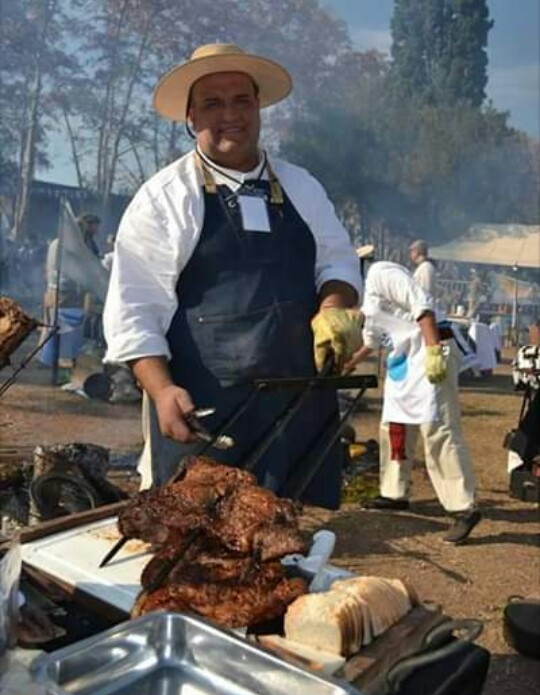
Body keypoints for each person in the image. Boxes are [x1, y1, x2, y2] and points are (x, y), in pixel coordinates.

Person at [103, 43, 362, 506]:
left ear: (258, 107)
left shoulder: (302, 186)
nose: (230, 115)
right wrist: (161, 390)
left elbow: (337, 261)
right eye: (212, 103)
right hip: (207, 415)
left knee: (298, 535)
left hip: (300, 409)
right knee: (201, 538)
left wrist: (334, 308)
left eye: (242, 100)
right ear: (191, 116)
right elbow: (134, 309)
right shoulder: (164, 198)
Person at [345, 261, 481, 544]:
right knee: (394, 427)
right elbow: (372, 341)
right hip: (403, 361)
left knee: (438, 428)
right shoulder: (367, 303)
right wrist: (349, 364)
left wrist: (433, 352)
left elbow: (422, 306)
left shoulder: (381, 273)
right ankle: (394, 492)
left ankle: (463, 507)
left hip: (431, 348)